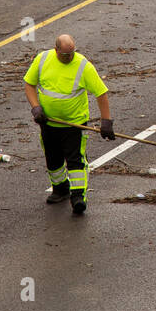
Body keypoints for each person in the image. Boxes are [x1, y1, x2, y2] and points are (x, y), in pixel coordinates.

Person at [23, 34, 114, 215]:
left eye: (71, 53)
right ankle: (60, 189)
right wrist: (36, 108)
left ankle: (78, 196)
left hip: (75, 125)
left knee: (75, 161)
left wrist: (106, 121)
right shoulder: (42, 59)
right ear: (56, 50)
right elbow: (29, 84)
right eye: (65, 55)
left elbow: (101, 93)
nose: (69, 58)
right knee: (53, 158)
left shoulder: (83, 65)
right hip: (48, 122)